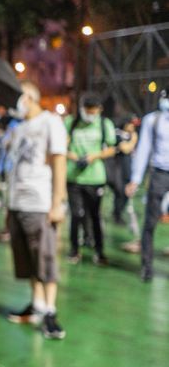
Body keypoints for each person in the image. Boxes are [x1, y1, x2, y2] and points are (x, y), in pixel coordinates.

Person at [4, 82, 68, 339]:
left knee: (45, 259)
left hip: (40, 203)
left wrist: (57, 203)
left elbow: (59, 161)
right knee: (27, 260)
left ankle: (50, 312)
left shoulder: (50, 122)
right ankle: (37, 304)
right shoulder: (19, 128)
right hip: (17, 202)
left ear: (29, 97)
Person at [65, 95, 116, 265]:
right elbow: (62, 145)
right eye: (87, 110)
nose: (90, 114)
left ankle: (99, 251)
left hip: (95, 178)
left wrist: (94, 156)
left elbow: (112, 149)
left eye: (93, 111)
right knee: (76, 215)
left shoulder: (104, 124)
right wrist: (73, 156)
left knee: (95, 215)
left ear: (99, 109)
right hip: (74, 177)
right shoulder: (71, 122)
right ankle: (74, 250)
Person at [126, 88, 169, 282]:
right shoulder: (153, 120)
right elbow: (143, 149)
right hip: (159, 174)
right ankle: (147, 266)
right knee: (150, 222)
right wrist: (135, 179)